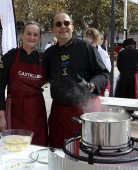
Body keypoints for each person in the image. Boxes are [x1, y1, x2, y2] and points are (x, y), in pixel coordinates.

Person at [43, 12, 109, 148]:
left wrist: (91, 85)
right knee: (58, 151)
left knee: (85, 153)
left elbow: (103, 74)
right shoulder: (49, 54)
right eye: (58, 24)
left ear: (72, 27)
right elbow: (42, 76)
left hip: (85, 110)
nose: (63, 27)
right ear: (53, 29)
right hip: (59, 112)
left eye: (66, 23)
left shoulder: (85, 47)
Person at [0, 21, 48, 146]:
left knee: (38, 147)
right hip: (14, 111)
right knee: (14, 145)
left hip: (37, 111)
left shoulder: (44, 59)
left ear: (40, 38)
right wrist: (1, 118)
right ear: (22, 35)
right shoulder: (9, 57)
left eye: (35, 35)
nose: (32, 37)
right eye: (28, 33)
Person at [84, 28, 111, 96]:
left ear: (96, 41)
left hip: (100, 84)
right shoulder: (83, 52)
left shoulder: (103, 53)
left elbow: (108, 68)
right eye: (85, 43)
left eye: (90, 44)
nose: (87, 46)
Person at [115, 38, 138, 114]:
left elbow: (118, 65)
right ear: (133, 45)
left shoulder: (122, 53)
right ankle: (130, 112)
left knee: (120, 93)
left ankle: (116, 111)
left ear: (126, 46)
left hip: (124, 75)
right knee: (132, 94)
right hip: (134, 76)